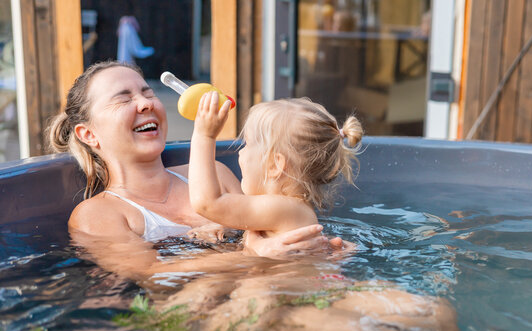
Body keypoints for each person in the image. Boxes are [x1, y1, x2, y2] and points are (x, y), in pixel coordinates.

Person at [47, 61, 341, 281]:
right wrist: (252, 255)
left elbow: (266, 227)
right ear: (88, 134)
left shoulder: (214, 173)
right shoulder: (97, 215)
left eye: (148, 93)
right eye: (124, 98)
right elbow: (153, 276)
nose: (145, 103)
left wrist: (322, 248)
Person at [189, 93, 363, 244]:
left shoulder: (286, 208)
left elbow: (207, 203)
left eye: (247, 144)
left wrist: (204, 135)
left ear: (274, 165)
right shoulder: (290, 209)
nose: (240, 152)